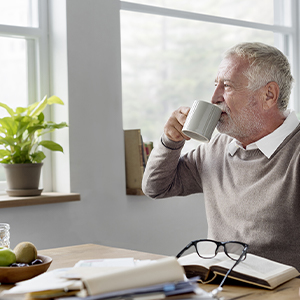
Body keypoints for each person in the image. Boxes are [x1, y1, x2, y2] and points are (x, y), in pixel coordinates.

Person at [142, 42, 300, 271]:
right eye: (216, 85)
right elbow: (156, 187)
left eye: (227, 86)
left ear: (269, 95)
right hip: (217, 283)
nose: (214, 97)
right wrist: (171, 140)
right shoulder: (218, 146)